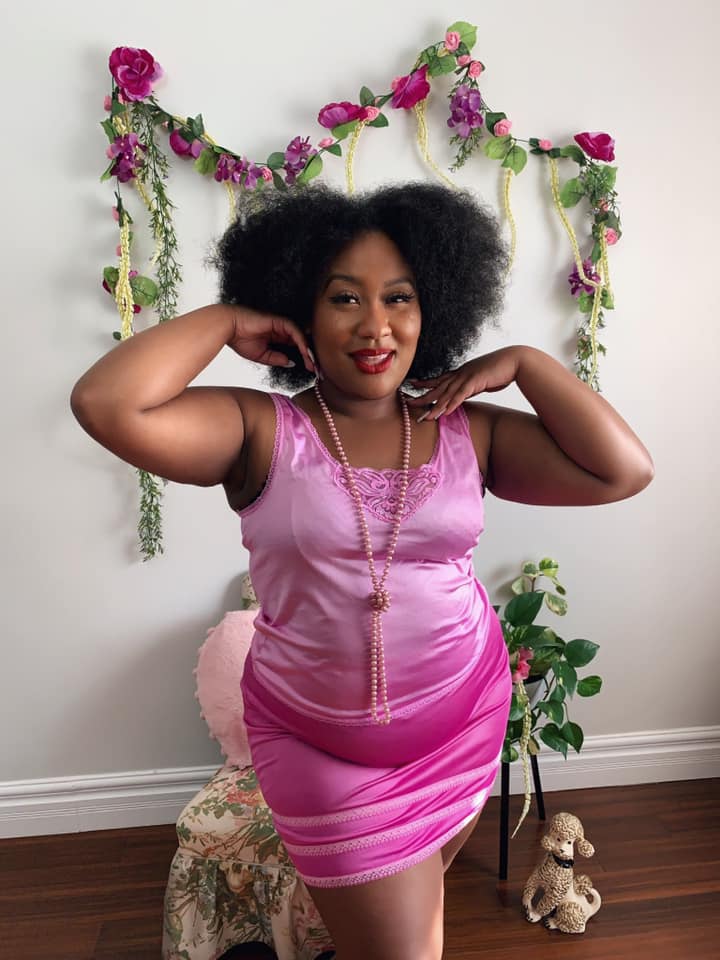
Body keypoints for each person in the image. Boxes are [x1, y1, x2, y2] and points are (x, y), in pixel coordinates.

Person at [70, 182, 654, 960]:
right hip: (320, 750)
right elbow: (106, 403)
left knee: (414, 918)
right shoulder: (256, 429)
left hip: (466, 720)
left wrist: (526, 363)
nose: (376, 325)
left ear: (433, 309)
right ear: (299, 311)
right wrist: (227, 320)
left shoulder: (466, 429)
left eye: (399, 298)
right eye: (344, 298)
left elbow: (623, 471)